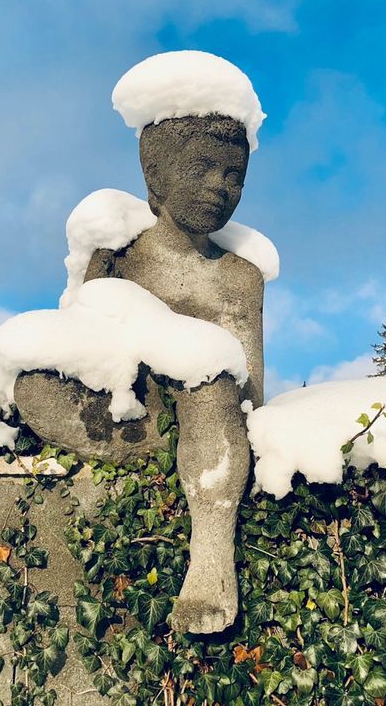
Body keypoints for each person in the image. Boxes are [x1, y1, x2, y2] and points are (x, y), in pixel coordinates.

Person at [82, 113, 263, 634]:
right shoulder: (119, 258)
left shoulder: (240, 278)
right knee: (30, 384)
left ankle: (210, 562)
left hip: (213, 427)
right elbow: (83, 349)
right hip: (126, 419)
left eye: (234, 176)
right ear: (155, 174)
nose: (220, 187)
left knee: (210, 380)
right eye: (203, 167)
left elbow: (251, 385)